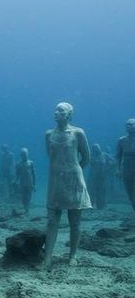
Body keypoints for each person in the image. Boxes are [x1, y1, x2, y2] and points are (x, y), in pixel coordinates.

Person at [44, 103, 91, 271]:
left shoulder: (78, 133)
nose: (56, 112)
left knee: (75, 221)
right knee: (51, 220)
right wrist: (61, 171)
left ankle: (73, 255)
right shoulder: (48, 134)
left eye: (61, 110)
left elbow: (86, 157)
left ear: (69, 114)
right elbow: (51, 156)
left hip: (73, 180)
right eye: (55, 109)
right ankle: (47, 257)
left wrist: (73, 171)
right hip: (56, 181)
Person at [116, 118, 135, 212]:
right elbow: (118, 156)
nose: (129, 126)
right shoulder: (122, 140)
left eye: (131, 124)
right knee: (129, 190)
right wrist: (118, 169)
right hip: (127, 166)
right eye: (127, 124)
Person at [15, 147, 36, 214]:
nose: (24, 155)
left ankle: (27, 208)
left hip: (30, 182)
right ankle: (25, 208)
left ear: (27, 154)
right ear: (21, 155)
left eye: (25, 154)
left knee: (28, 196)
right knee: (23, 196)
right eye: (23, 154)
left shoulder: (31, 163)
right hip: (22, 182)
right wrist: (15, 181)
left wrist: (34, 184)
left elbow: (34, 174)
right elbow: (17, 175)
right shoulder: (19, 164)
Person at [88, 143, 109, 209]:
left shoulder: (104, 155)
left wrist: (107, 168)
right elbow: (92, 163)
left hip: (102, 176)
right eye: (95, 148)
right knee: (92, 190)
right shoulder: (91, 156)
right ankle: (91, 204)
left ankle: (101, 205)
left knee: (102, 190)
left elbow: (113, 162)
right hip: (94, 176)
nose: (96, 149)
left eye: (97, 148)